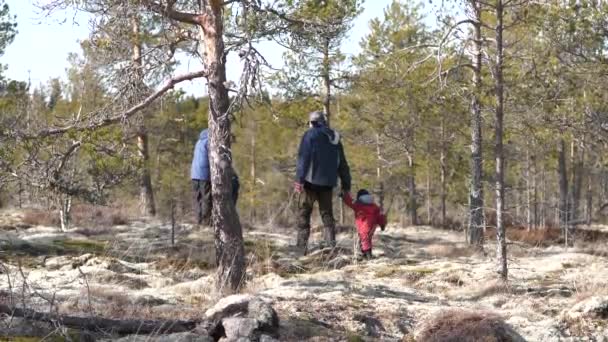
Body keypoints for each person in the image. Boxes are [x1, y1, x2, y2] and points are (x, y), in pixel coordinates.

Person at [294, 111, 351, 254]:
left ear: (312, 122)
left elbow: (303, 159)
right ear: (323, 121)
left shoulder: (309, 135)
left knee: (304, 213)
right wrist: (346, 185)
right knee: (327, 215)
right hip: (328, 183)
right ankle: (331, 248)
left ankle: (301, 250)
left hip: (310, 183)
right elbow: (342, 163)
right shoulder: (335, 137)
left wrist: (299, 180)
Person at [191, 129, 239, 225]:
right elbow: (216, 159)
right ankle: (207, 223)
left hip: (194, 174)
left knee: (198, 198)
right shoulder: (211, 141)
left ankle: (199, 221)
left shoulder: (199, 142)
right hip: (204, 174)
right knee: (207, 199)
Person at [342, 189, 387, 260]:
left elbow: (349, 202)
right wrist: (382, 225)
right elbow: (380, 216)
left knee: (364, 240)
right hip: (372, 226)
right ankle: (366, 254)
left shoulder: (358, 204)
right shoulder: (374, 205)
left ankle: (368, 257)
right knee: (367, 240)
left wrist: (344, 195)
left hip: (363, 226)